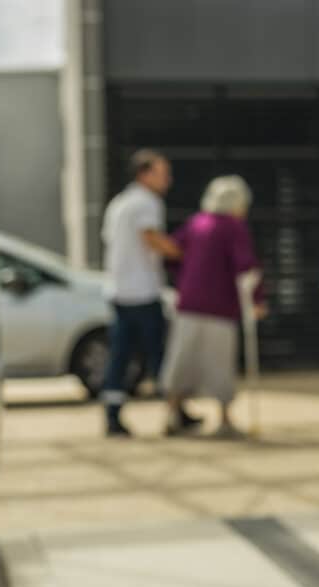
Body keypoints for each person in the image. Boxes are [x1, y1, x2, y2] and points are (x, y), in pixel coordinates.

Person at [160, 176, 265, 438]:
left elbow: (173, 251)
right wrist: (257, 300)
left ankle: (172, 414)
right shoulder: (233, 226)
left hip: (188, 302)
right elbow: (246, 267)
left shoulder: (197, 223)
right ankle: (225, 419)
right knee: (219, 362)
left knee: (182, 359)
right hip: (219, 306)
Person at [100, 149, 182, 437]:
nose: (168, 180)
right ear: (144, 174)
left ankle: (112, 415)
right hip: (143, 292)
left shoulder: (119, 204)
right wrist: (184, 253)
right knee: (159, 354)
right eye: (163, 173)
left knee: (119, 357)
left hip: (119, 291)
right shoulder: (147, 203)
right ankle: (175, 412)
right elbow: (151, 238)